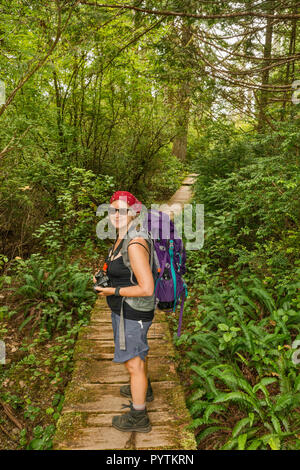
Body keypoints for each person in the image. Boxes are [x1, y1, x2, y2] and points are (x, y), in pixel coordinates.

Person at [93, 190, 155, 433]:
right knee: (138, 355)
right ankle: (144, 387)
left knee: (133, 365)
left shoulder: (135, 243)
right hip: (126, 311)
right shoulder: (122, 236)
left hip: (133, 312)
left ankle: (139, 417)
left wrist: (114, 292)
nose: (115, 214)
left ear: (133, 213)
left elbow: (147, 288)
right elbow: (125, 272)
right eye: (111, 210)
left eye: (121, 210)